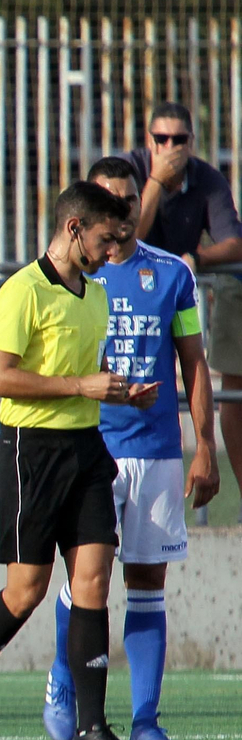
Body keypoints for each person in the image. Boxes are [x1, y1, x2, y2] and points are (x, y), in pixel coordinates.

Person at [0, 181, 149, 740]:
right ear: (74, 228)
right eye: (106, 239)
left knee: (92, 582)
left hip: (85, 451)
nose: (113, 252)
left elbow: (91, 371)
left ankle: (90, 727)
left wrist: (122, 391)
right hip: (27, 453)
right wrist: (81, 385)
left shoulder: (98, 294)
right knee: (26, 590)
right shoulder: (22, 291)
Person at [42, 157, 219, 740]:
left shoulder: (172, 275)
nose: (119, 219)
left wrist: (205, 448)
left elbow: (193, 362)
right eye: (108, 205)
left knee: (147, 582)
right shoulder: (72, 278)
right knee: (86, 578)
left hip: (157, 451)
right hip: (90, 446)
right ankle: (65, 680)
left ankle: (146, 720)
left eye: (126, 204)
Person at [122, 102, 242, 513]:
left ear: (192, 143)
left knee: (205, 374)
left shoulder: (205, 178)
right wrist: (155, 181)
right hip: (128, 306)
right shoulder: (130, 172)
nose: (170, 147)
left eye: (179, 140)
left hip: (176, 299)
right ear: (148, 142)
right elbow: (124, 236)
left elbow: (234, 241)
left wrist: (196, 257)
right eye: (161, 139)